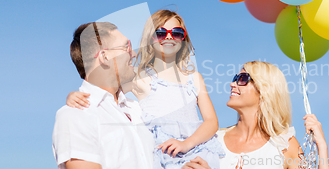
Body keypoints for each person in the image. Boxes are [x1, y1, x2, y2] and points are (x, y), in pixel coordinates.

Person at [66, 10, 225, 168]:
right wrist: (76, 95)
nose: (169, 36)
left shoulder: (195, 78)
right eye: (161, 33)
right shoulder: (138, 76)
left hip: (194, 148)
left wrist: (186, 144)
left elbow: (211, 121)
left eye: (176, 32)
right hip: (161, 153)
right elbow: (104, 90)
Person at [182, 61, 329, 169]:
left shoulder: (284, 145)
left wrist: (322, 146)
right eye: (235, 78)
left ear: (264, 90)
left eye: (242, 79)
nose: (232, 84)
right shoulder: (212, 139)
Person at [52, 22, 154, 169]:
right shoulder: (76, 115)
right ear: (105, 57)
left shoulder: (137, 108)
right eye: (127, 47)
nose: (134, 53)